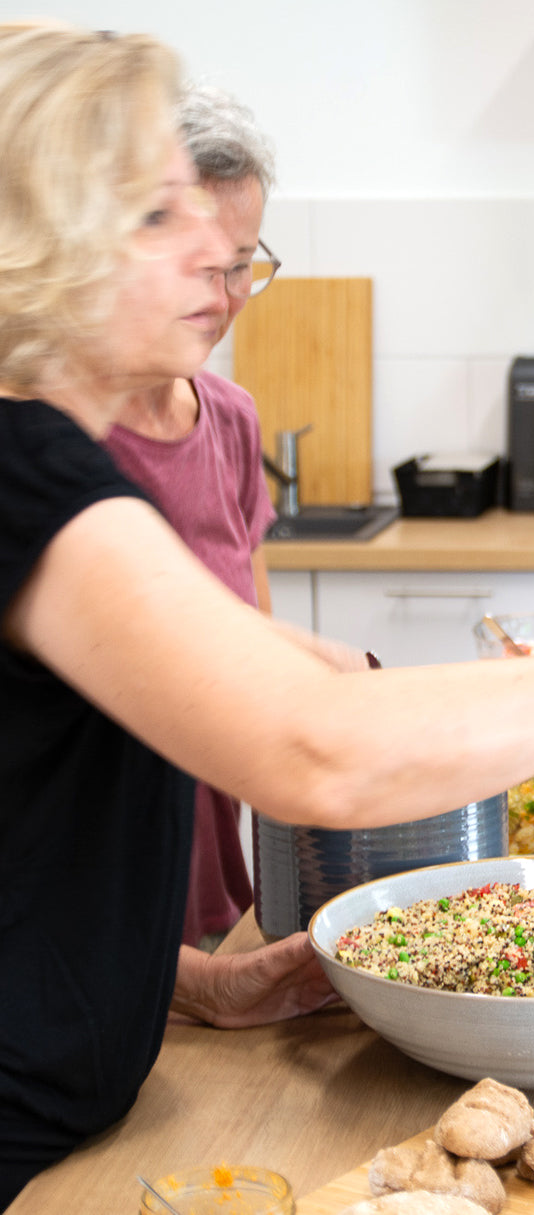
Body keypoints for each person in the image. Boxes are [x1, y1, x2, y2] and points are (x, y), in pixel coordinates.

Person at [0, 20, 534, 1204]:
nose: (215, 252)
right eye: (158, 215)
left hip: (93, 1105)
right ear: (36, 242)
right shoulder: (22, 475)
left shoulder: (59, 463)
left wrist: (192, 983)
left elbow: (227, 719)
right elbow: (318, 745)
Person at [103, 84, 281, 951]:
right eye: (202, 268)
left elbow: (267, 672)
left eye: (243, 263)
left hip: (213, 918)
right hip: (88, 945)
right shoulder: (49, 448)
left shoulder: (231, 419)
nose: (229, 295)